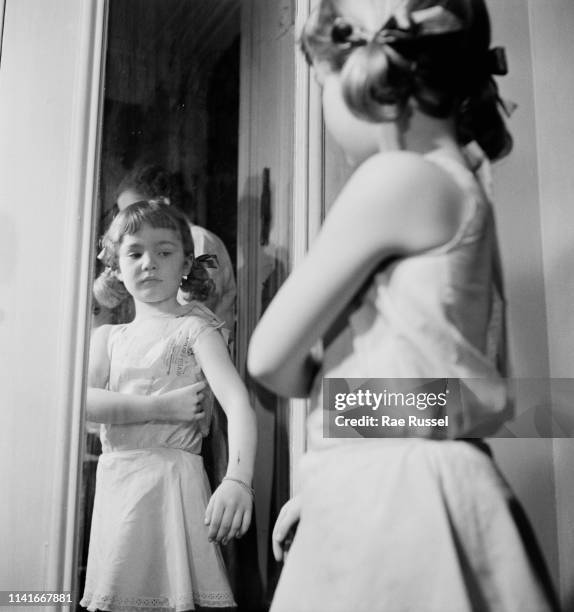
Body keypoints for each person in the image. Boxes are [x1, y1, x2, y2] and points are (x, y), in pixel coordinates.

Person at [248, 0, 559, 610]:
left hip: (395, 501)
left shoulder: (394, 178)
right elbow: (482, 398)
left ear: (368, 75)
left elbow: (267, 356)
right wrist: (356, 443)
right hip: (446, 483)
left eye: (319, 82)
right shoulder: (467, 188)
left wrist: (347, 433)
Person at [80, 201, 257, 611]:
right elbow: (85, 402)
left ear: (185, 263)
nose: (148, 263)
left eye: (164, 252)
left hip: (173, 484)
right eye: (135, 252)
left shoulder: (194, 328)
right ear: (116, 267)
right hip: (120, 484)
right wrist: (162, 407)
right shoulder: (107, 337)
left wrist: (237, 479)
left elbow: (238, 403)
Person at [114, 164, 237, 336]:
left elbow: (201, 302)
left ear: (163, 203)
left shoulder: (199, 239)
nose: (130, 222)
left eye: (137, 211)